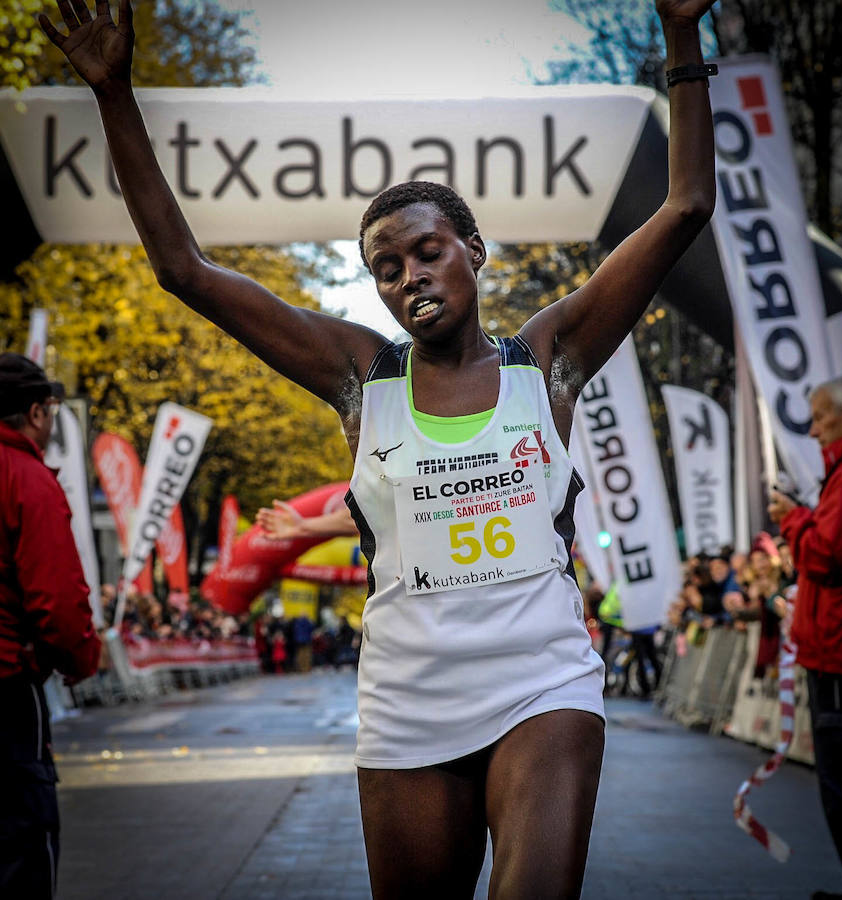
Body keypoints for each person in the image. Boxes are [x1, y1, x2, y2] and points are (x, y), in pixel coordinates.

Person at [40, 0, 716, 893]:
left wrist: (679, 35)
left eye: (427, 253)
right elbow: (183, 270)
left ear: (473, 250)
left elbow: (685, 205)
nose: (409, 279)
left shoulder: (549, 360)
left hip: (541, 682)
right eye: (385, 271)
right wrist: (114, 94)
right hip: (408, 700)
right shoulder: (361, 377)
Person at [0, 353, 101, 898]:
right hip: (8, 687)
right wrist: (83, 657)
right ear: (36, 412)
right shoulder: (27, 478)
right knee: (20, 842)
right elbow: (55, 600)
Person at [768, 376, 842, 900]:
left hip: (841, 651)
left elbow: (828, 556)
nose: (814, 428)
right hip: (837, 647)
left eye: (823, 415)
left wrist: (794, 520)